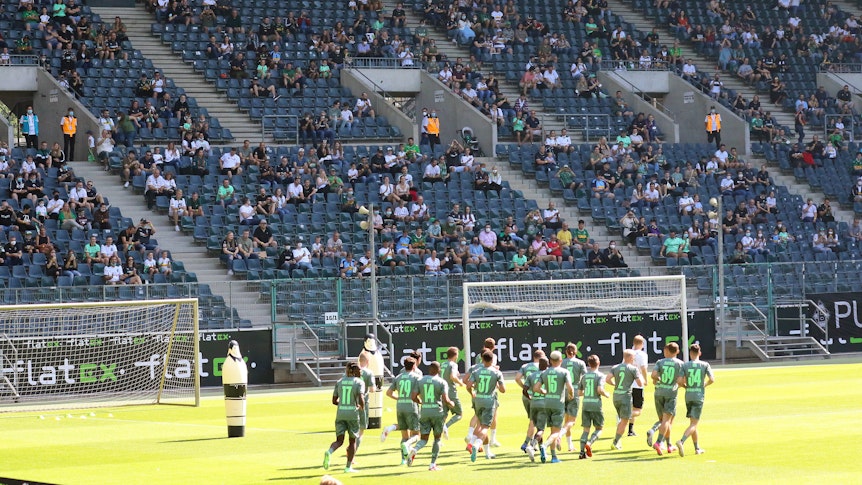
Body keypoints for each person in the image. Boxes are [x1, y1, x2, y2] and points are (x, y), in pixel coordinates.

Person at [406, 360, 454, 470]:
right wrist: (452, 403)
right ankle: (432, 464)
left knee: (423, 439)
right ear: (439, 370)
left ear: (429, 369)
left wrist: (421, 402)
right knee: (437, 439)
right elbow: (446, 399)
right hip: (437, 412)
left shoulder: (420, 380)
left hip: (424, 412)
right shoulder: (442, 382)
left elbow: (413, 396)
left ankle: (415, 450)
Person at [531, 350, 573, 464]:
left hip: (546, 403)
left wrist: (544, 391)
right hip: (558, 404)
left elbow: (535, 388)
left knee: (550, 430)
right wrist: (571, 395)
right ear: (561, 360)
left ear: (550, 361)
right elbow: (570, 387)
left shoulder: (544, 373)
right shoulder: (564, 372)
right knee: (556, 432)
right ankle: (544, 446)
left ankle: (554, 456)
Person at [322, 362, 364, 474]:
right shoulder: (359, 382)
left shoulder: (339, 382)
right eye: (359, 370)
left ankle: (329, 452)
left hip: (340, 414)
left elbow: (334, 401)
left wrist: (342, 405)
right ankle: (348, 467)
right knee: (352, 441)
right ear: (354, 371)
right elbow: (361, 400)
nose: (361, 372)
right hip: (352, 415)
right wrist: (360, 407)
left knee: (339, 441)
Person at [675, 343, 714, 456]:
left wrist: (686, 386)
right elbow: (712, 379)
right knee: (694, 424)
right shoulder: (705, 365)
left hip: (688, 395)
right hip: (698, 395)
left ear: (690, 353)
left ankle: (697, 448)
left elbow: (679, 381)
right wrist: (704, 385)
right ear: (699, 353)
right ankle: (681, 441)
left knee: (693, 423)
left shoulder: (685, 365)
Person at [381, 357, 421, 465]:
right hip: (412, 407)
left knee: (404, 435)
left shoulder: (398, 377)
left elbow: (388, 393)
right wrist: (422, 402)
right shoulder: (416, 377)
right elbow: (419, 394)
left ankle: (403, 460)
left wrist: (398, 398)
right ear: (414, 366)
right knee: (417, 435)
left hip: (400, 407)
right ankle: (408, 445)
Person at [467, 350, 505, 462]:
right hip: (489, 401)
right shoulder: (496, 372)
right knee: (485, 427)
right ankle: (476, 443)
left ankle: (487, 452)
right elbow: (503, 390)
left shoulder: (477, 371)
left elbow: (468, 385)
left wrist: (472, 393)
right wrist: (497, 384)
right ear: (492, 359)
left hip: (478, 400)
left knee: (479, 424)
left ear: (482, 359)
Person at [647, 342, 684, 455]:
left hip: (658, 392)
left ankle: (669, 445)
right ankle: (658, 442)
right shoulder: (680, 364)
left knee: (664, 421)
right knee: (667, 420)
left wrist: (660, 379)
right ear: (677, 351)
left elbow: (653, 376)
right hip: (670, 393)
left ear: (667, 351)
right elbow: (681, 381)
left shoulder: (660, 362)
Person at [606, 349, 645, 450]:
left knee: (622, 420)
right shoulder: (633, 369)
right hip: (625, 397)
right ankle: (615, 442)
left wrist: (615, 384)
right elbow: (640, 383)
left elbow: (607, 379)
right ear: (631, 358)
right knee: (624, 421)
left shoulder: (615, 367)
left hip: (616, 396)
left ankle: (618, 442)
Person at [515, 349, 545, 455]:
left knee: (533, 419)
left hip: (526, 396)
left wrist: (525, 387)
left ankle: (534, 443)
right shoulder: (542, 368)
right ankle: (529, 443)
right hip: (538, 396)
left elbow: (517, 378)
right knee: (535, 421)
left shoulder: (525, 366)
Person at [439, 346, 465, 440]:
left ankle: (438, 440)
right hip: (451, 393)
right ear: (455, 355)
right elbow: (452, 376)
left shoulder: (442, 364)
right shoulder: (453, 364)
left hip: (441, 393)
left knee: (444, 415)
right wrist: (460, 382)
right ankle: (446, 426)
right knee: (459, 414)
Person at [628, 335, 649, 437]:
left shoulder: (628, 353)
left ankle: (630, 430)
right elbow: (643, 368)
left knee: (632, 407)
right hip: (638, 383)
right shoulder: (642, 355)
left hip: (628, 383)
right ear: (642, 344)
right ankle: (624, 416)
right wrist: (645, 379)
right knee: (638, 410)